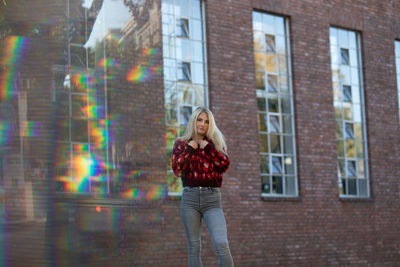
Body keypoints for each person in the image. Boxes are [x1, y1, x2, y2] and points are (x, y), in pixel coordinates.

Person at [172, 106, 234, 267]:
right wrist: (191, 148)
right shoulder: (181, 143)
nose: (203, 124)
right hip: (190, 200)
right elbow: (177, 169)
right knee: (194, 247)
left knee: (222, 244)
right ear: (193, 121)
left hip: (212, 199)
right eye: (200, 119)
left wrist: (208, 148)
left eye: (207, 121)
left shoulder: (216, 143)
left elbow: (224, 165)